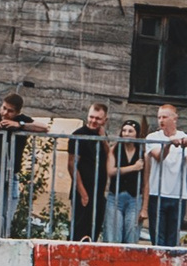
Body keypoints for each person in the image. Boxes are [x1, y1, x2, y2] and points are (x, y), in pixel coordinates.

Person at [0, 92, 46, 239]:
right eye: (3, 108)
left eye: (10, 111)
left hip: (11, 173)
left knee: (7, 215)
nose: (5, 113)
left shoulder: (21, 120)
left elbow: (44, 127)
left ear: (18, 112)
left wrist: (20, 125)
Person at [146, 102, 187, 249]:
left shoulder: (184, 136)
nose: (161, 120)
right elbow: (158, 156)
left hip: (179, 195)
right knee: (157, 238)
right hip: (157, 193)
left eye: (164, 117)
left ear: (174, 119)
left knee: (172, 239)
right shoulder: (153, 136)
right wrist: (169, 144)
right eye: (159, 117)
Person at [69, 103, 111, 241]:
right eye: (91, 117)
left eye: (98, 119)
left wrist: (104, 139)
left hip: (98, 193)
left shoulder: (103, 135)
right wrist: (83, 193)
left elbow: (109, 157)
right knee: (79, 233)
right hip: (83, 193)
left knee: (94, 233)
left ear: (105, 120)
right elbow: (71, 165)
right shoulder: (78, 135)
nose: (93, 121)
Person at [111, 118, 147, 246]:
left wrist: (144, 208)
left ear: (136, 134)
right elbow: (110, 171)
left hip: (134, 198)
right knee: (114, 234)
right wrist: (133, 168)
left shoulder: (143, 154)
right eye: (124, 130)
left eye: (130, 131)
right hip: (115, 196)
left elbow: (146, 182)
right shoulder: (114, 149)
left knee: (131, 235)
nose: (126, 133)